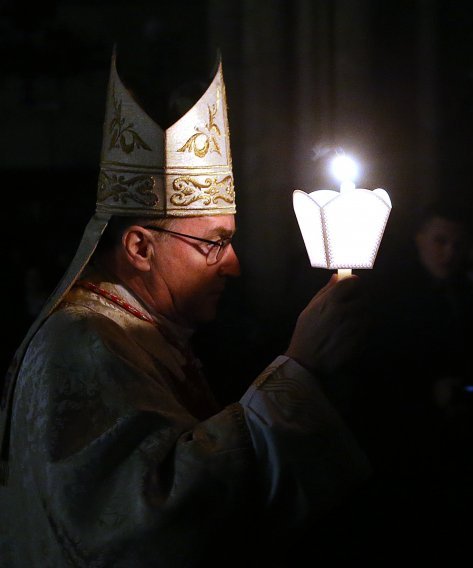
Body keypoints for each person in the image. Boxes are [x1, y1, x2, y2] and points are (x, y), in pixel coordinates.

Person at [0, 52, 371, 567]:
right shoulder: (83, 341)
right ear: (139, 247)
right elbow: (154, 524)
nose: (234, 266)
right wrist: (297, 374)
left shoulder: (138, 331)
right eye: (214, 243)